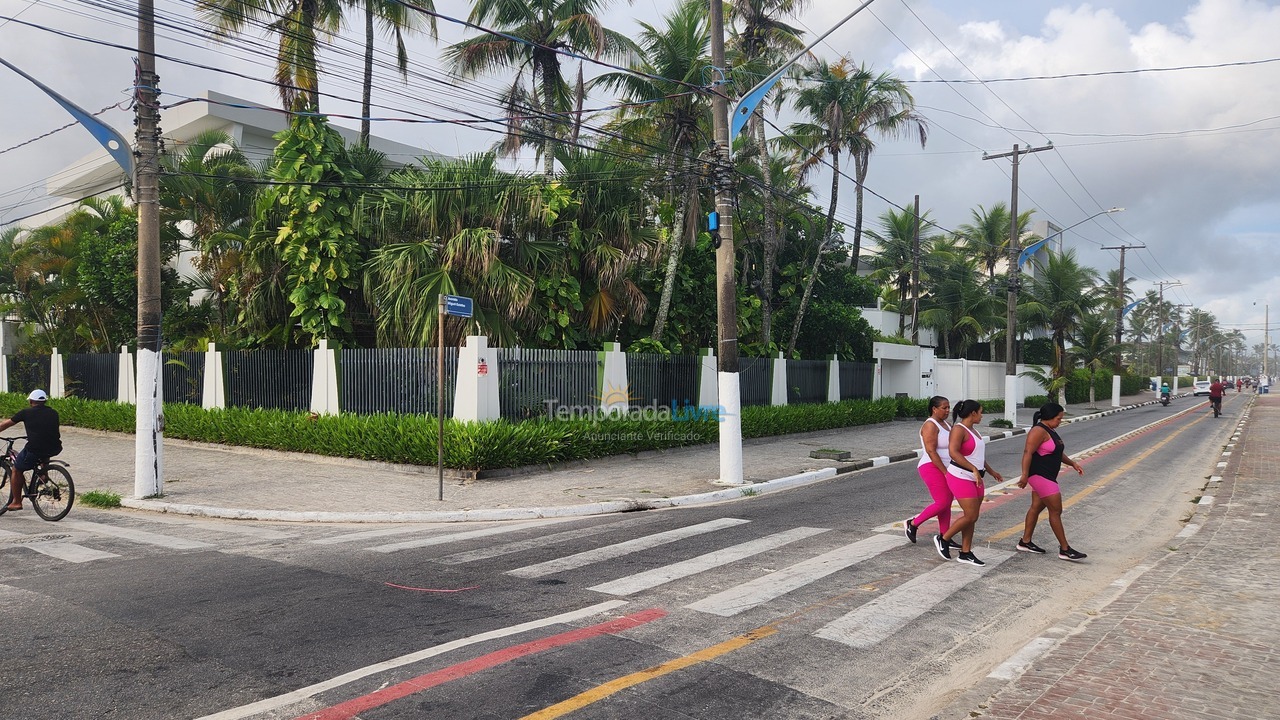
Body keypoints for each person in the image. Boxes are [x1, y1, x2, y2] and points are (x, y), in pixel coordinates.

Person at [933, 400, 1004, 566]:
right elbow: (953, 452)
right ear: (972, 413)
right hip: (960, 475)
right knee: (971, 515)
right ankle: (943, 538)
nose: (982, 415)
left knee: (972, 517)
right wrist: (972, 469)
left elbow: (977, 456)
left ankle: (965, 552)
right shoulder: (959, 429)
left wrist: (992, 471)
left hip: (976, 477)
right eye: (980, 412)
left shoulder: (974, 431)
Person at [1015, 402, 1087, 561]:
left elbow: (1057, 452)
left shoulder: (1051, 430)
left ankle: (1025, 542)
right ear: (1049, 417)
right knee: (1056, 511)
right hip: (1040, 476)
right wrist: (1024, 475)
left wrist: (1073, 463)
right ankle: (1065, 549)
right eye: (1059, 418)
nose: (1060, 421)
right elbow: (1028, 452)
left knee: (1036, 507)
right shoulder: (1038, 431)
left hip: (1047, 475)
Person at [904, 396, 956, 546]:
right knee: (942, 502)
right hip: (932, 467)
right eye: (944, 408)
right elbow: (931, 451)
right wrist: (945, 472)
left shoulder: (946, 424)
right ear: (934, 409)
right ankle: (913, 524)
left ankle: (945, 536)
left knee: (947, 503)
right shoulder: (930, 425)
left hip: (948, 467)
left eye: (948, 408)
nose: (947, 411)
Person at [0, 389, 62, 511]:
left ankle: (17, 502)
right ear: (45, 401)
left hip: (36, 448)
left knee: (16, 469)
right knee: (44, 448)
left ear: (31, 401)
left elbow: (5, 425)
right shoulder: (53, 413)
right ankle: (44, 474)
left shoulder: (25, 413)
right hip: (55, 447)